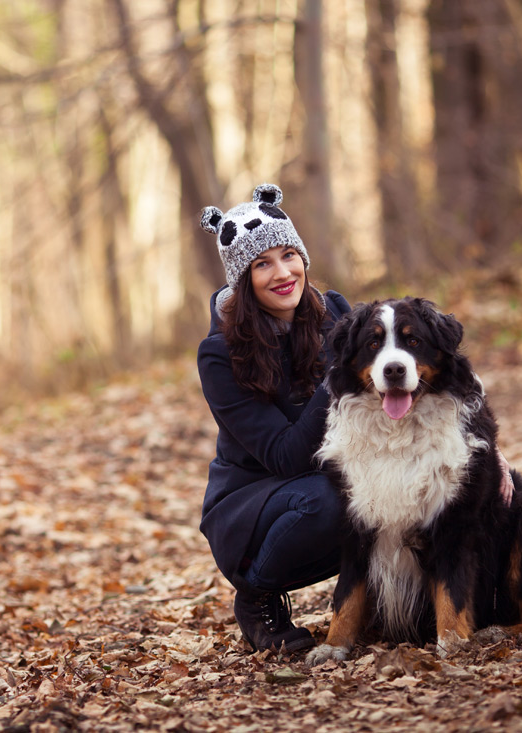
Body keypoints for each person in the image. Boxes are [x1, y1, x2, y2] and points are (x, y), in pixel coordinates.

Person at [196, 183, 355, 653]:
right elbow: (287, 455)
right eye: (261, 263)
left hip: (334, 473)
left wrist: (484, 448)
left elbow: (408, 359)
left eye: (289, 254)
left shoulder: (336, 313)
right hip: (255, 507)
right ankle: (258, 596)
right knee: (328, 500)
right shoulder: (220, 354)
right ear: (242, 279)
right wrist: (341, 375)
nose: (283, 273)